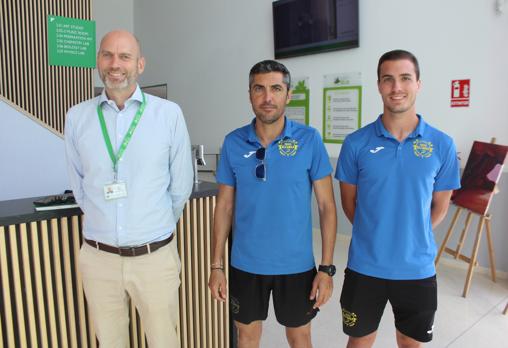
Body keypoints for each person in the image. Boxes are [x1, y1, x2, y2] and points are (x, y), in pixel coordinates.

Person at [65, 30, 193, 348]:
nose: (115, 64)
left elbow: (180, 187)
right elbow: (79, 186)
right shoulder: (77, 118)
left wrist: (150, 224)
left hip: (154, 257)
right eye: (107, 55)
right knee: (109, 341)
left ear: (140, 64)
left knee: (164, 341)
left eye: (124, 56)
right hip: (98, 259)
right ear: (98, 61)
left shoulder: (168, 115)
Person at [335, 49, 461, 348]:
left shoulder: (442, 144)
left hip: (416, 268)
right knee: (359, 341)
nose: (396, 87)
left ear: (418, 83)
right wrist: (377, 233)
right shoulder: (356, 143)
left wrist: (411, 235)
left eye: (405, 78)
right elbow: (350, 205)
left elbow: (440, 206)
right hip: (365, 266)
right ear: (378, 85)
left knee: (409, 342)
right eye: (388, 79)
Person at [208, 60, 337, 348]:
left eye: (276, 89)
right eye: (259, 89)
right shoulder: (233, 143)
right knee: (247, 336)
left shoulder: (309, 140)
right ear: (250, 94)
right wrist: (217, 266)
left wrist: (326, 269)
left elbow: (327, 206)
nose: (268, 98)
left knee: (299, 336)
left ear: (288, 94)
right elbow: (224, 207)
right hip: (245, 264)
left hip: (296, 265)